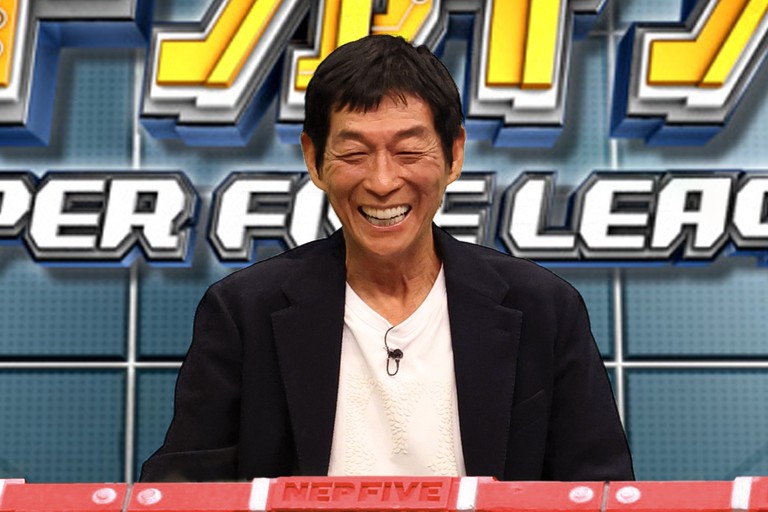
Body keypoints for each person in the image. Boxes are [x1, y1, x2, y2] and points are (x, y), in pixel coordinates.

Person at [141, 35, 633, 482]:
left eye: (409, 152)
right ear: (314, 159)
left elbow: (601, 490)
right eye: (354, 153)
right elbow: (182, 491)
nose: (382, 181)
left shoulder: (544, 309)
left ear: (454, 154)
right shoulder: (243, 313)